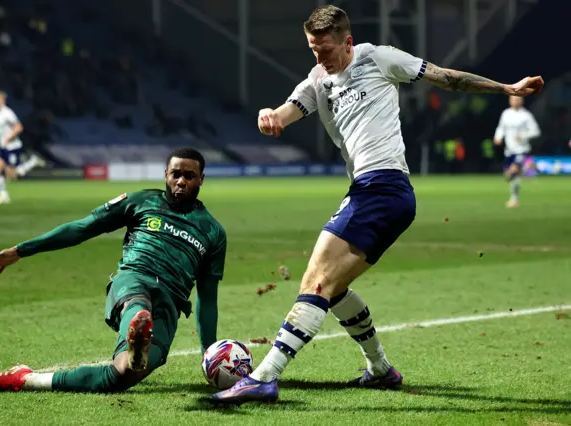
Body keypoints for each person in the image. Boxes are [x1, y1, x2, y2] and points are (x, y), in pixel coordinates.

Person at [210, 5, 544, 405]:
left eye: (326, 50)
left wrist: (506, 88)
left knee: (316, 281)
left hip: (383, 187)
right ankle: (381, 370)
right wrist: (270, 117)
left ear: (347, 42)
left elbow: (448, 78)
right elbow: (286, 112)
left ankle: (264, 377)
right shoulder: (318, 79)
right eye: (313, 50)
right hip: (369, 191)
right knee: (331, 289)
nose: (320, 58)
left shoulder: (379, 58)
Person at [0, 148, 227, 393]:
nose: (181, 181)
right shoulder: (141, 202)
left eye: (189, 176)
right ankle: (138, 325)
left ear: (201, 179)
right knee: (139, 307)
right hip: (133, 281)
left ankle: (26, 379)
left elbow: (207, 298)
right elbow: (82, 228)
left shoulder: (213, 232)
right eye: (176, 174)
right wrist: (21, 250)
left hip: (169, 304)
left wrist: (210, 357)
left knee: (123, 374)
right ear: (165, 174)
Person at [0, 91, 45, 205]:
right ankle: (3, 196)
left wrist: (10, 137)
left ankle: (33, 162)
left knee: (12, 176)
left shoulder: (7, 113)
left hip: (13, 147)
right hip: (2, 147)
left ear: (2, 101)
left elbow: (18, 127)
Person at [493, 96, 541, 208]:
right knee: (510, 177)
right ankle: (515, 199)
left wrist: (523, 136)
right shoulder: (506, 114)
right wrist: (498, 137)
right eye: (513, 99)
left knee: (512, 173)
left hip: (522, 150)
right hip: (509, 150)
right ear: (510, 100)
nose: (515, 101)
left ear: (522, 101)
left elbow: (536, 131)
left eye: (518, 99)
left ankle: (526, 167)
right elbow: (501, 128)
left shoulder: (526, 116)